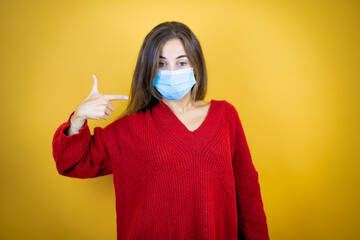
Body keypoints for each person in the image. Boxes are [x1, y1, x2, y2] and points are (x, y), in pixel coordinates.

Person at [52, 21, 270, 240]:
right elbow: (73, 163)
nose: (172, 72)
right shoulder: (130, 128)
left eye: (182, 62)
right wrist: (78, 118)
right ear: (149, 70)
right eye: (162, 64)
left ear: (196, 66)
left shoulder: (226, 116)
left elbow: (247, 190)